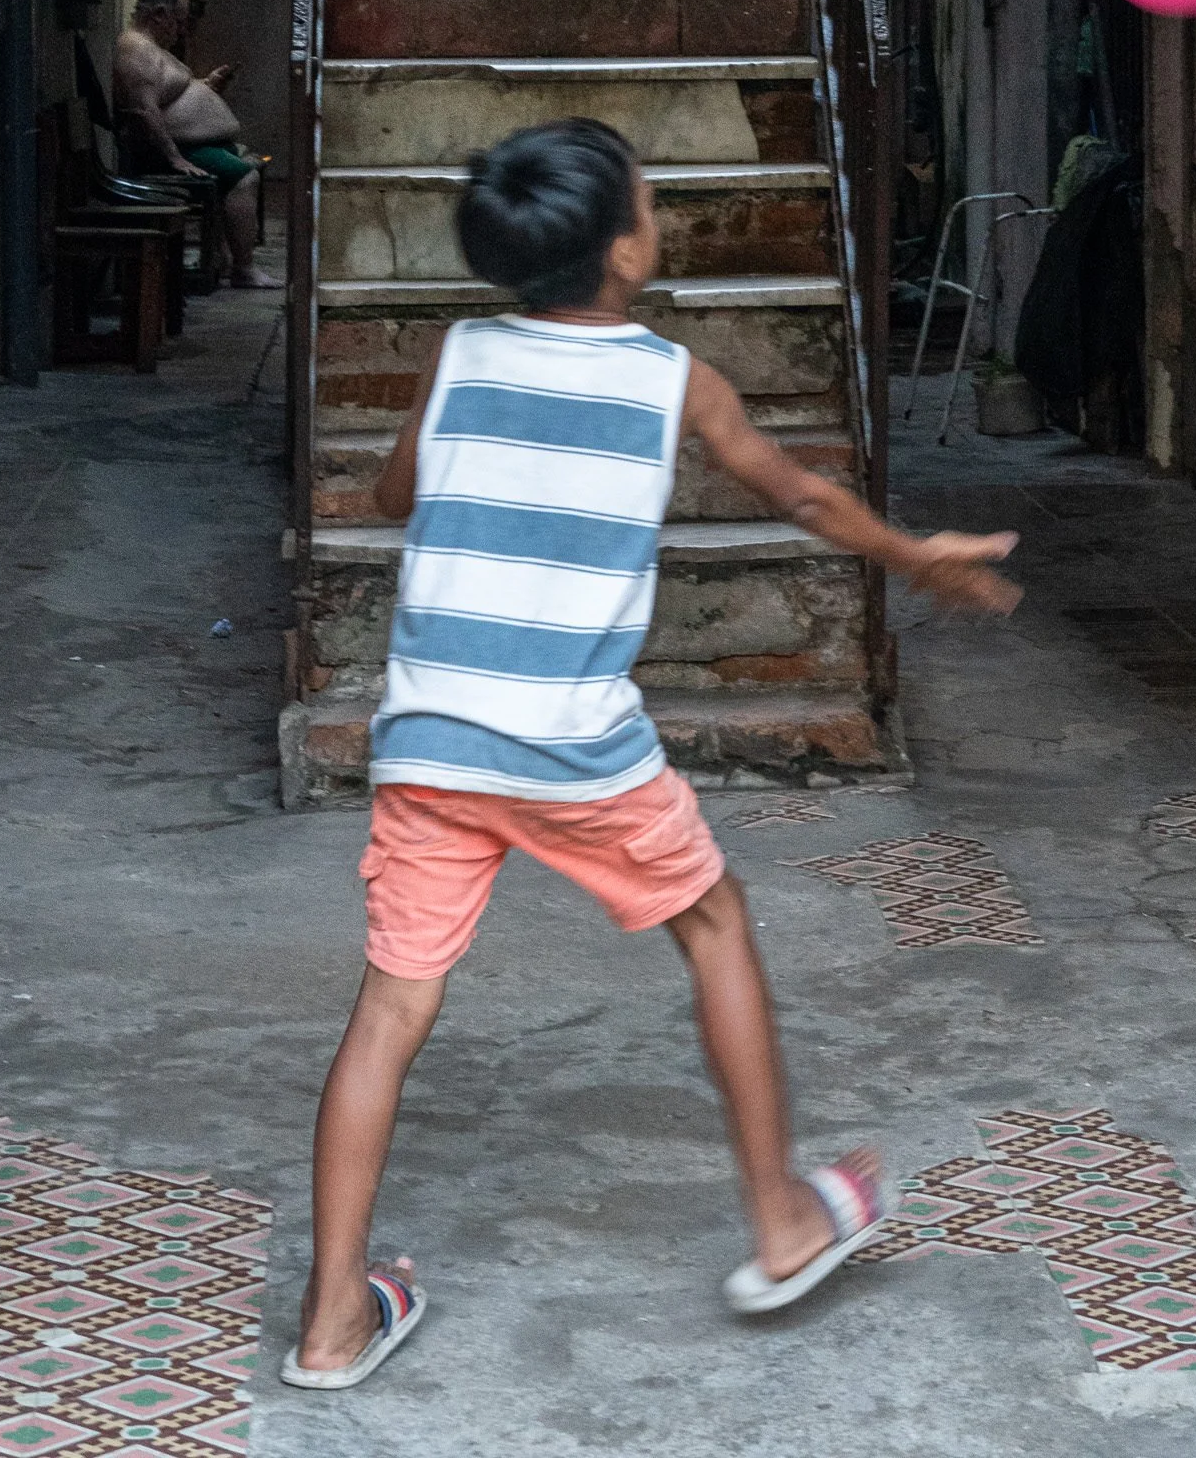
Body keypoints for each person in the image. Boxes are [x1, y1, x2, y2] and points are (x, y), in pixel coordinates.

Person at [282, 118, 1022, 1393]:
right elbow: (799, 496)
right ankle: (783, 1221)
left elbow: (396, 493)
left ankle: (333, 1319)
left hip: (431, 736)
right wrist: (914, 558)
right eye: (649, 200)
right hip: (572, 746)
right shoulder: (673, 380)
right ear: (623, 251)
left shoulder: (456, 355)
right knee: (717, 927)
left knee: (390, 1007)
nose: (658, 212)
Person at [111, 0, 271, 290]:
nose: (181, 30)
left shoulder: (150, 48)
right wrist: (174, 158)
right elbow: (145, 111)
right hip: (170, 151)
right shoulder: (135, 49)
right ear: (158, 15)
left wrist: (206, 85)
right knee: (245, 176)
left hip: (187, 145)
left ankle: (222, 256)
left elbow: (170, 95)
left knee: (244, 159)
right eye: (178, 21)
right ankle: (244, 268)